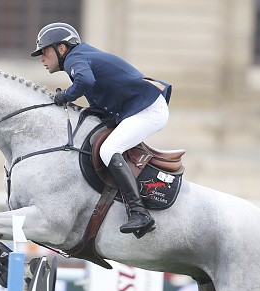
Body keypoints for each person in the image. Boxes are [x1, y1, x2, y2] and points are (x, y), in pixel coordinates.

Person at [32, 22, 172, 236]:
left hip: (149, 111)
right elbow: (96, 96)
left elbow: (86, 81)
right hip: (141, 108)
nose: (42, 57)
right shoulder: (81, 56)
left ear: (61, 49)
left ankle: (139, 212)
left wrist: (66, 96)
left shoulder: (74, 58)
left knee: (108, 150)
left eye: (44, 51)